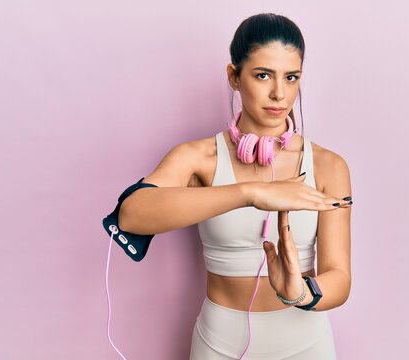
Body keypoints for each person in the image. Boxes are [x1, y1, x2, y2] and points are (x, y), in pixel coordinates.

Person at [118, 13, 352, 359]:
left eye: (291, 77)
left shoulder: (330, 166)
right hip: (219, 344)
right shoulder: (198, 158)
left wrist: (302, 293)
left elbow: (340, 276)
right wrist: (250, 194)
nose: (279, 93)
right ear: (234, 76)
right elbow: (130, 215)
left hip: (307, 344)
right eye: (262, 75)